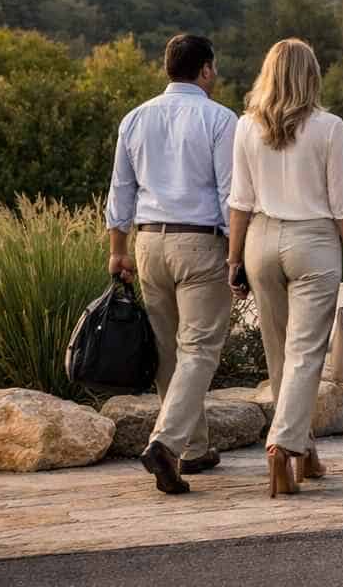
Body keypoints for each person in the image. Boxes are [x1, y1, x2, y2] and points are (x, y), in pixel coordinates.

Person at [227, 38, 343, 498]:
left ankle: (306, 452)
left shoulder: (247, 126)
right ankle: (282, 447)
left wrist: (233, 260)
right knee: (306, 354)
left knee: (279, 351)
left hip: (260, 241)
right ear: (311, 75)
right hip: (312, 241)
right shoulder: (329, 128)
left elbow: (240, 202)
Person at [105, 34, 238, 494]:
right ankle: (164, 442)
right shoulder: (221, 119)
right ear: (205, 69)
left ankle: (194, 450)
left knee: (170, 351)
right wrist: (235, 254)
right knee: (200, 349)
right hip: (199, 243)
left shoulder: (135, 118)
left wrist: (116, 249)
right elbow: (229, 194)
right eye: (213, 68)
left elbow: (120, 189)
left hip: (147, 244)